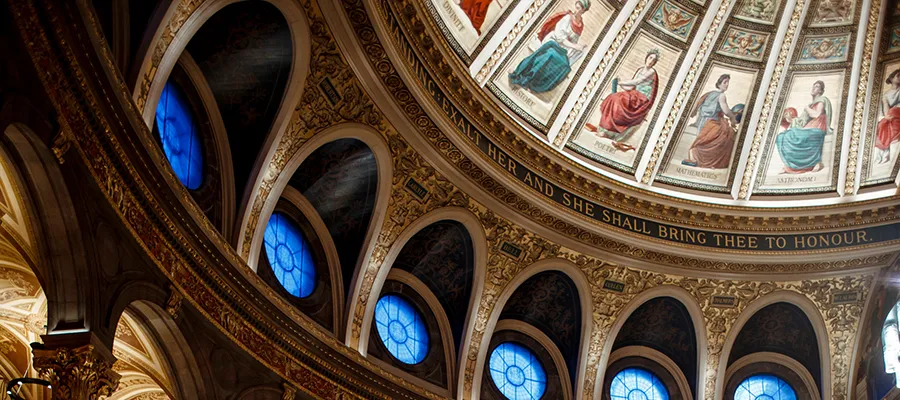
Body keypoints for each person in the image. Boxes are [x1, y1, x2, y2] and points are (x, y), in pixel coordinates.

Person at [508, 0, 590, 93]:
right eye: (576, 7)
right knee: (551, 55)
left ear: (583, 11)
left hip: (562, 49)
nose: (575, 10)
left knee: (564, 65)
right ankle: (526, 76)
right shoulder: (567, 18)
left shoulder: (580, 25)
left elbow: (574, 41)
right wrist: (574, 46)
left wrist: (577, 47)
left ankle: (536, 84)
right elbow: (559, 37)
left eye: (578, 8)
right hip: (553, 42)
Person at [587, 49, 660, 144]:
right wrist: (619, 83)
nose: (651, 61)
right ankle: (605, 130)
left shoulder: (651, 72)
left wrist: (621, 82)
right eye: (650, 58)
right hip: (634, 94)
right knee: (613, 98)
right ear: (646, 57)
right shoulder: (640, 70)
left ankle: (609, 131)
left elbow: (638, 82)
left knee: (619, 99)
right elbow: (630, 87)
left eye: (654, 60)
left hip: (642, 99)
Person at [682, 74, 740, 169]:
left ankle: (694, 154)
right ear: (719, 83)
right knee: (728, 135)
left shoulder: (708, 94)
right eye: (725, 82)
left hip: (702, 123)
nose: (727, 84)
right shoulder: (722, 96)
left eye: (728, 82)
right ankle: (699, 156)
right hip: (711, 123)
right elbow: (726, 111)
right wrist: (733, 118)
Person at [775, 80, 832, 173]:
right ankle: (790, 165)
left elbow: (816, 115)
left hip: (817, 127)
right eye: (813, 86)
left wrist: (807, 108)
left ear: (821, 91)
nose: (814, 88)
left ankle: (815, 163)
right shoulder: (811, 104)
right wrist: (792, 119)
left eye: (817, 86)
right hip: (809, 127)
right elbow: (802, 122)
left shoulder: (822, 100)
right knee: (781, 136)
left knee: (794, 134)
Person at [875, 69, 900, 164]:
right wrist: (887, 116)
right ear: (891, 78)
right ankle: (884, 153)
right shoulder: (885, 95)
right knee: (882, 125)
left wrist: (892, 112)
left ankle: (885, 153)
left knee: (890, 122)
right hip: (891, 116)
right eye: (898, 75)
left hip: (898, 115)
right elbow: (885, 107)